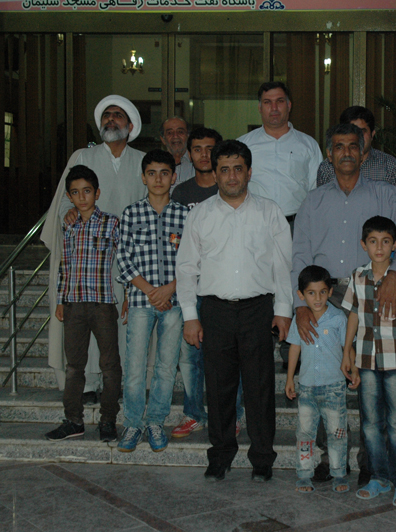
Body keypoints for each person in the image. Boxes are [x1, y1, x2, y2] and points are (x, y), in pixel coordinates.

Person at [292, 122, 396, 487]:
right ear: (329, 155)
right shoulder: (313, 201)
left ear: (364, 153)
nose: (346, 152)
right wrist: (300, 304)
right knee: (324, 379)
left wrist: (395, 275)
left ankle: (371, 463)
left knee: (370, 382)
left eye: (353, 146)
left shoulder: (387, 195)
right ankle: (329, 458)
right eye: (339, 146)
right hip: (324, 296)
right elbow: (299, 253)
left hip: (374, 291)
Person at [176, 140, 292, 482]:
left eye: (237, 169)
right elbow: (186, 268)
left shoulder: (270, 212)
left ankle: (262, 458)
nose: (231, 176)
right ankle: (221, 455)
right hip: (214, 311)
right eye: (224, 169)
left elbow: (282, 266)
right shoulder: (200, 214)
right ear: (214, 174)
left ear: (249, 172)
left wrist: (283, 310)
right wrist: (190, 316)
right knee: (218, 387)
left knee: (259, 388)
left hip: (258, 309)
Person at [42, 94, 146, 399]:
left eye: (117, 115)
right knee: (82, 321)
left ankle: (118, 383)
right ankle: (86, 384)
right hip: (86, 257)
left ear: (130, 126)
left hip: (126, 257)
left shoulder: (142, 161)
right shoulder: (82, 157)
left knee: (121, 322)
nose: (110, 120)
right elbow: (64, 199)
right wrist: (68, 213)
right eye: (106, 116)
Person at [341, 216, 396, 507]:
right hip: (366, 361)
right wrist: (347, 352)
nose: (379, 248)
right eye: (373, 242)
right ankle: (379, 477)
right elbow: (353, 315)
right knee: (370, 424)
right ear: (363, 245)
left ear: (395, 245)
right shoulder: (357, 277)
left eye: (385, 242)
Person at [169, 127, 246, 439]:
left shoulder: (231, 189)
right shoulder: (181, 194)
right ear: (189, 155)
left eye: (210, 149)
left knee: (231, 358)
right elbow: (177, 247)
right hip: (192, 289)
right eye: (197, 149)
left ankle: (233, 415)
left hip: (224, 289)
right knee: (191, 358)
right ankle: (193, 413)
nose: (203, 154)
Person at [115, 149, 189, 453]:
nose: (158, 179)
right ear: (143, 177)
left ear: (174, 177)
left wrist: (169, 289)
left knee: (166, 366)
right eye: (152, 173)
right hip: (141, 301)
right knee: (135, 367)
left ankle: (156, 420)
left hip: (174, 301)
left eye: (164, 173)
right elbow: (123, 259)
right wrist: (150, 291)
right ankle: (133, 423)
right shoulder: (131, 213)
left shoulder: (185, 215)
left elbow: (192, 260)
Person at [45, 165, 122, 443]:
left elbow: (125, 260)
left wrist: (127, 296)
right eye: (75, 193)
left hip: (102, 304)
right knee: (74, 366)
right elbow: (65, 265)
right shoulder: (69, 224)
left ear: (97, 193)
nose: (82, 197)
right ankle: (73, 420)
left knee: (110, 364)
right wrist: (61, 298)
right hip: (74, 304)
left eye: (87, 191)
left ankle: (108, 419)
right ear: (69, 196)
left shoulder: (112, 223)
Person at [285, 265, 350, 494]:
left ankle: (339, 474)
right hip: (307, 388)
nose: (318, 298)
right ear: (301, 295)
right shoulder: (300, 320)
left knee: (337, 433)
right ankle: (304, 475)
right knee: (304, 434)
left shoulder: (338, 318)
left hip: (334, 387)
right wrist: (290, 379)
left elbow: (347, 348)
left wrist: (353, 369)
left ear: (330, 292)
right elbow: (294, 348)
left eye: (323, 292)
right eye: (311, 293)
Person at [238, 81, 323, 222]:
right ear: (259, 108)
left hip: (296, 224)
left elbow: (317, 190)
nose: (274, 108)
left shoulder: (308, 145)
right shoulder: (243, 145)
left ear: (289, 105)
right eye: (267, 102)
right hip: (254, 222)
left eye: (280, 101)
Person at [316, 106, 396, 194]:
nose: (357, 137)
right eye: (352, 131)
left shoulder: (388, 165)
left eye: (362, 132)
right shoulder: (327, 167)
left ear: (372, 134)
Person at [160, 116, 194, 187]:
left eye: (180, 132)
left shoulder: (198, 163)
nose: (175, 136)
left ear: (188, 136)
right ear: (163, 139)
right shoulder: (155, 165)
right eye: (170, 133)